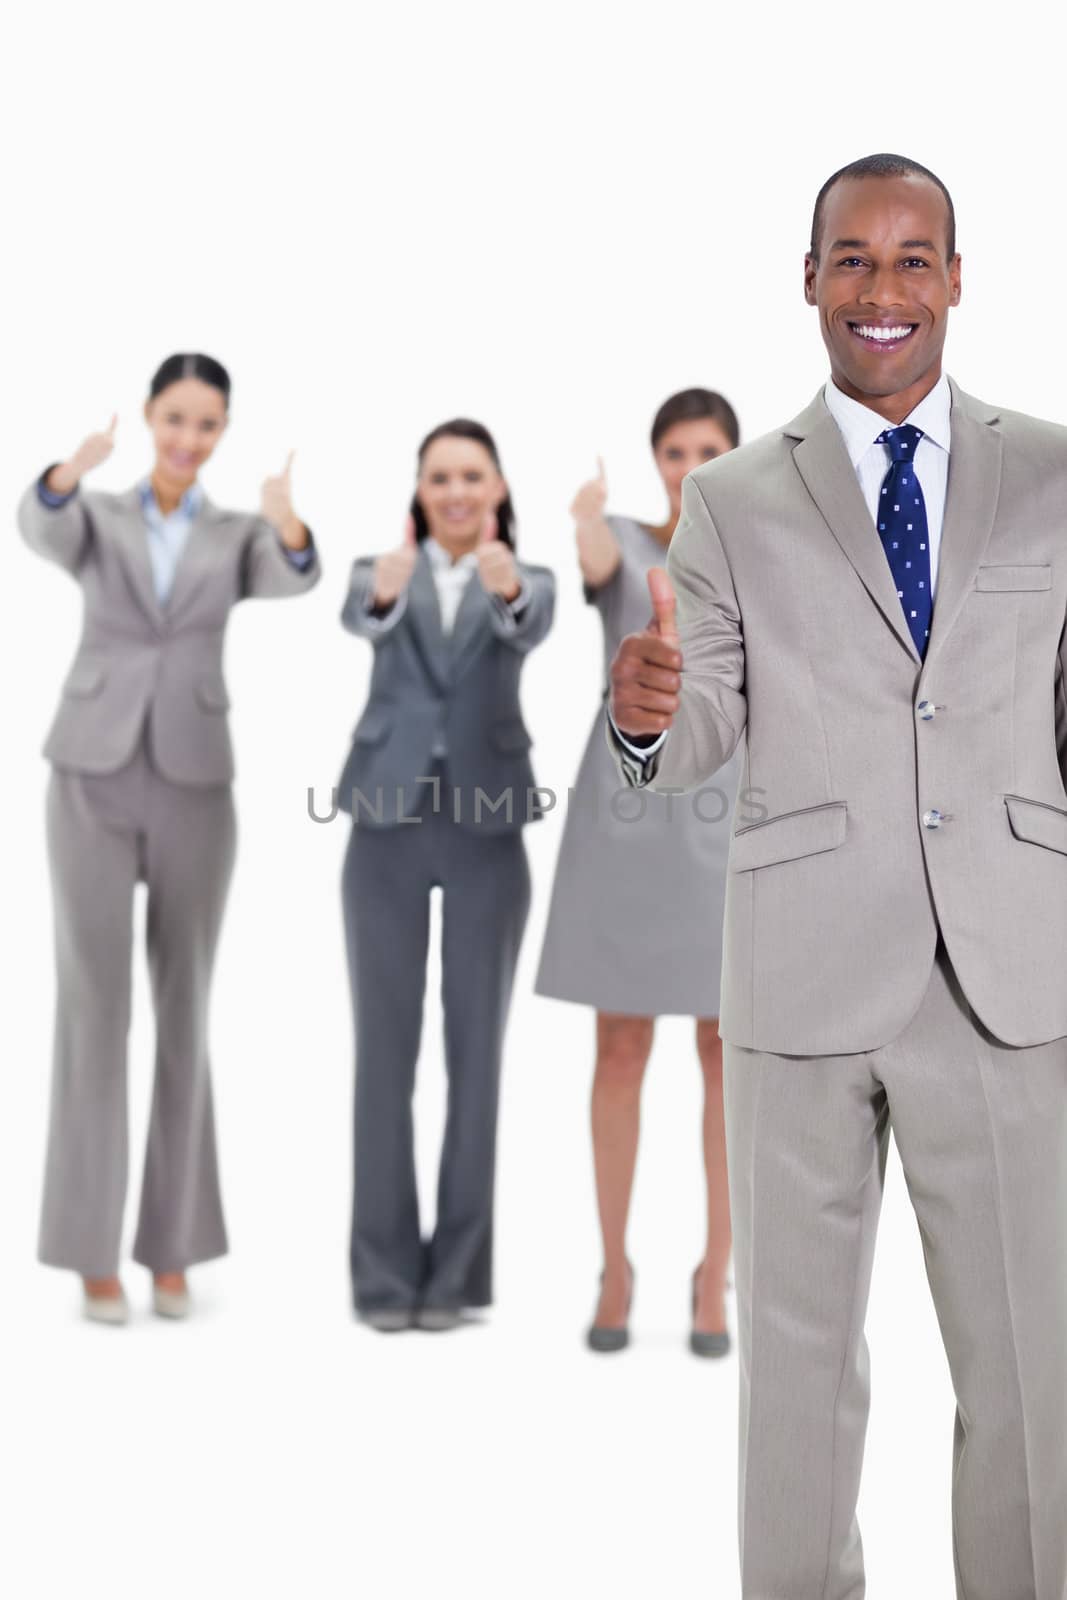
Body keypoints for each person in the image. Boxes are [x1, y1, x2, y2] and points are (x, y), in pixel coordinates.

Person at [609, 154, 1067, 1599]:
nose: (882, 289)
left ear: (953, 277)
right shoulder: (733, 497)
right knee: (794, 1386)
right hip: (801, 974)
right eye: (850, 260)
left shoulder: (1054, 472)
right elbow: (702, 726)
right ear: (806, 280)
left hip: (1008, 972)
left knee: (1030, 1383)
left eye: (910, 257)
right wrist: (640, 720)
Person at [19, 352, 320, 1326]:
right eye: (176, 418)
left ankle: (175, 1248)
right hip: (90, 775)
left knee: (183, 1011)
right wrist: (71, 467)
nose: (190, 438)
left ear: (221, 432)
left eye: (208, 424)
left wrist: (287, 519)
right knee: (93, 1012)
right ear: (150, 416)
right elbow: (40, 528)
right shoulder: (99, 516)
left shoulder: (234, 534)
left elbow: (290, 575)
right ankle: (89, 1253)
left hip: (195, 779)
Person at [535, 390, 742, 1356]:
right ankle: (614, 1265)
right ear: (653, 459)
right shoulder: (622, 537)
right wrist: (582, 514)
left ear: (734, 455)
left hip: (729, 809)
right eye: (673, 449)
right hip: (627, 807)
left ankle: (716, 1272)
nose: (688, 463)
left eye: (707, 448)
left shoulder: (759, 545)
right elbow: (596, 561)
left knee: (723, 1055)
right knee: (618, 1047)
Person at [338, 419, 554, 1332]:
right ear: (420, 490)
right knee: (383, 1058)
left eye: (471, 475)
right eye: (439, 477)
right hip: (384, 825)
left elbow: (529, 623)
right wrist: (389, 595)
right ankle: (384, 1277)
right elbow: (362, 616)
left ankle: (458, 1276)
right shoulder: (374, 573)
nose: (456, 491)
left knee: (477, 1060)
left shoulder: (527, 582)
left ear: (498, 486)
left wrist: (504, 595)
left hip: (487, 828)